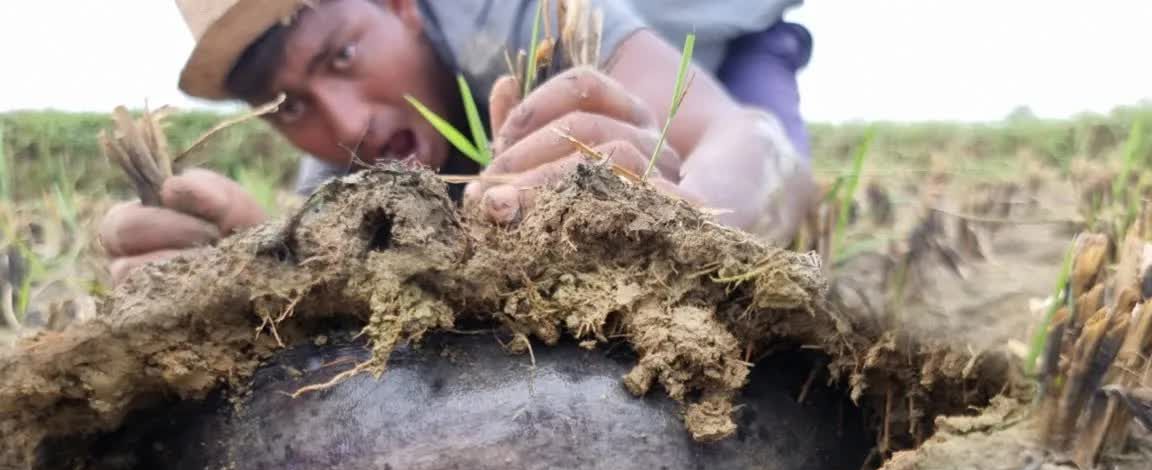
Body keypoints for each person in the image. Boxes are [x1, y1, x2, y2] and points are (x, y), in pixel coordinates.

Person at [100, 0, 814, 285]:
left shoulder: (513, 16)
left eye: (341, 56)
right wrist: (262, 270)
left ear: (399, 5)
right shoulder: (336, 170)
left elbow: (745, 141)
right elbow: (330, 283)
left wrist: (694, 213)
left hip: (724, 47)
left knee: (779, 225)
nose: (346, 125)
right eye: (292, 108)